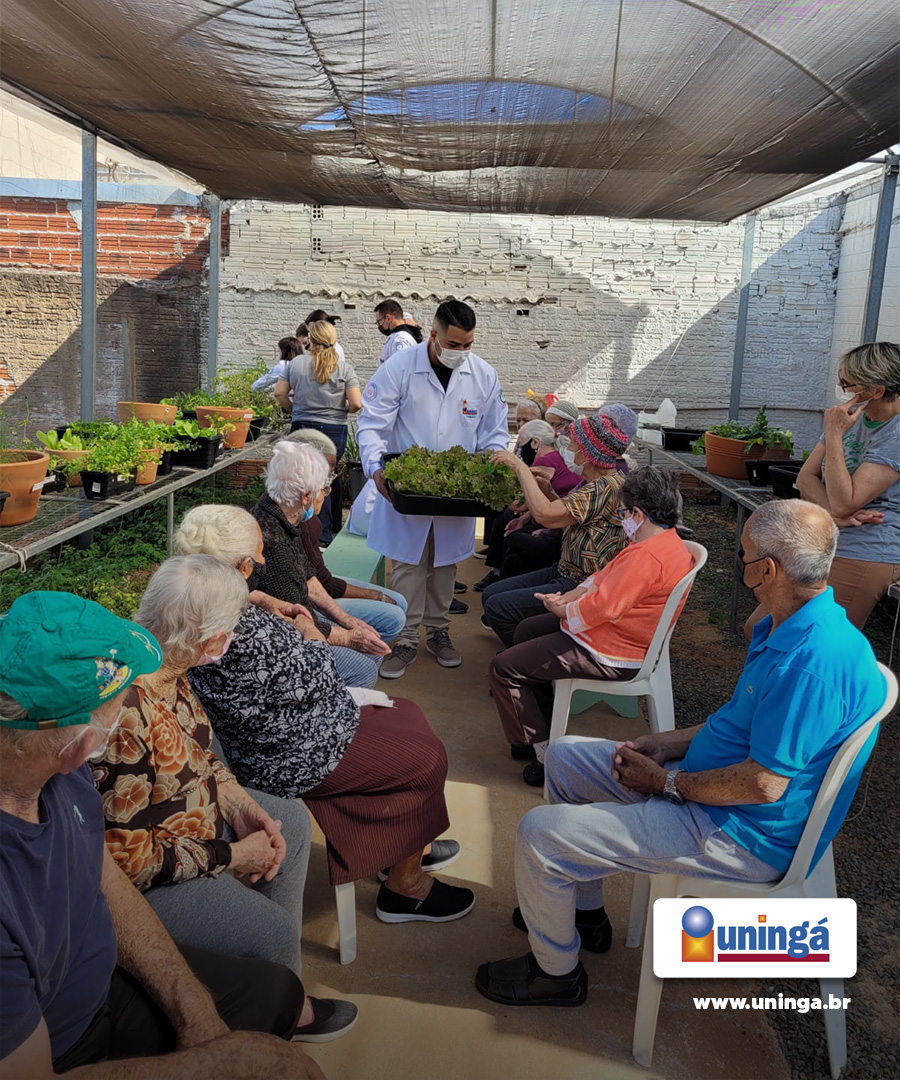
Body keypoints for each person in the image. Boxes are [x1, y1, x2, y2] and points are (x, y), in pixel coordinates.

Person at [476, 500, 886, 1008]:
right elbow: (735, 724)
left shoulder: (811, 663)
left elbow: (763, 784)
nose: (739, 565)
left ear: (767, 571)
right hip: (711, 792)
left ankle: (555, 974)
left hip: (738, 833)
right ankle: (584, 914)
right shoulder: (789, 623)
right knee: (562, 758)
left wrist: (664, 782)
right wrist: (664, 745)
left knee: (540, 834)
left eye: (744, 555)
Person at [0, 591, 324, 1079]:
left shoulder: (59, 771)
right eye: (121, 703)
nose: (135, 700)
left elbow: (104, 878)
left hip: (101, 982)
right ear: (80, 746)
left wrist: (194, 1011)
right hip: (61, 1046)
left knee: (277, 994)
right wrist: (212, 1064)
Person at [92, 556, 357, 1041]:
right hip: (155, 873)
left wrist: (238, 804)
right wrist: (233, 854)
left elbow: (198, 748)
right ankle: (277, 1007)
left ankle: (274, 985)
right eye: (231, 629)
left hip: (193, 818)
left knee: (290, 822)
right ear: (211, 639)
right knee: (272, 930)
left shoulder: (166, 659)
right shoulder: (125, 714)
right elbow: (128, 862)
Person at [170, 514, 476, 925]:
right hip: (287, 755)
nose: (263, 563)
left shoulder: (192, 601)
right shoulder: (241, 634)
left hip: (278, 735)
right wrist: (309, 630)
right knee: (427, 758)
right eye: (257, 557)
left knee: (407, 714)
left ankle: (404, 846)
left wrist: (259, 601)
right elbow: (320, 676)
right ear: (241, 567)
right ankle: (406, 887)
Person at [490, 468, 694, 786]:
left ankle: (542, 754)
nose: (622, 520)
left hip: (610, 650)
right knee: (526, 631)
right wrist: (570, 596)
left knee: (504, 668)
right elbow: (602, 577)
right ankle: (534, 728)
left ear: (638, 514)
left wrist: (564, 609)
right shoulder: (661, 542)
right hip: (609, 636)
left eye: (623, 513)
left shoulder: (647, 557)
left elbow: (604, 607)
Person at [359, 298, 509, 678]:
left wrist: (492, 467)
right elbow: (372, 424)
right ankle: (406, 638)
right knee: (407, 565)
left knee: (444, 565)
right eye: (453, 344)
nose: (461, 351)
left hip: (456, 495)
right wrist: (376, 468)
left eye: (468, 344)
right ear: (433, 335)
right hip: (407, 490)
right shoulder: (399, 368)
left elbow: (494, 433)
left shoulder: (483, 376)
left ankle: (439, 632)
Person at [481, 410, 632, 647]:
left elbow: (547, 516)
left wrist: (520, 469)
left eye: (572, 444)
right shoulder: (596, 484)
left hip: (579, 582)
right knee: (491, 594)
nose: (568, 449)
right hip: (564, 569)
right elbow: (567, 516)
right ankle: (526, 647)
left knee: (497, 606)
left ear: (587, 452)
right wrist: (548, 491)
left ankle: (528, 658)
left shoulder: (603, 488)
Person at [250, 441, 392, 688]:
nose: (325, 496)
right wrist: (349, 637)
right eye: (324, 489)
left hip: (303, 620)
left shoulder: (283, 512)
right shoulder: (272, 540)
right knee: (364, 668)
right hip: (286, 638)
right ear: (306, 496)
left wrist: (348, 620)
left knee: (371, 645)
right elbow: (297, 618)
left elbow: (310, 578)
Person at [795, 341, 900, 629]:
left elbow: (845, 501)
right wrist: (836, 515)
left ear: (876, 391)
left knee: (812, 640)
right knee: (759, 627)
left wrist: (833, 434)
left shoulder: (893, 434)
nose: (840, 389)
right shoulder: (854, 418)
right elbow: (805, 478)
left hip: (870, 547)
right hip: (832, 536)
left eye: (847, 384)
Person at [289, 429, 410, 629]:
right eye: (325, 481)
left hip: (317, 587)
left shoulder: (305, 515)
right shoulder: (293, 518)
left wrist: (376, 596)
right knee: (393, 615)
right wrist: (375, 596)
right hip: (305, 605)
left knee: (399, 602)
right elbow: (322, 585)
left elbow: (321, 577)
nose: (327, 491)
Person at [275, 319, 361, 544]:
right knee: (323, 481)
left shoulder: (296, 364)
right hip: (334, 430)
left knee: (301, 480)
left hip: (302, 427)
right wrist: (342, 409)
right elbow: (356, 403)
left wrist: (294, 410)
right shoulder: (345, 368)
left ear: (310, 339)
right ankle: (322, 536)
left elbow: (279, 393)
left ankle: (296, 531)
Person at [475, 419, 583, 592]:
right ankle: (501, 581)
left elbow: (523, 505)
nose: (520, 449)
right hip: (558, 523)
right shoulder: (557, 456)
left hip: (557, 529)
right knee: (512, 547)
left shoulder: (544, 461)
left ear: (535, 442)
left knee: (510, 533)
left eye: (521, 444)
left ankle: (498, 578)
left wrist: (494, 492)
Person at [375, 298, 423, 364]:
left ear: (388, 318)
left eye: (379, 321)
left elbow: (400, 367)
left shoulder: (399, 339)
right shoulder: (399, 335)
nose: (379, 325)